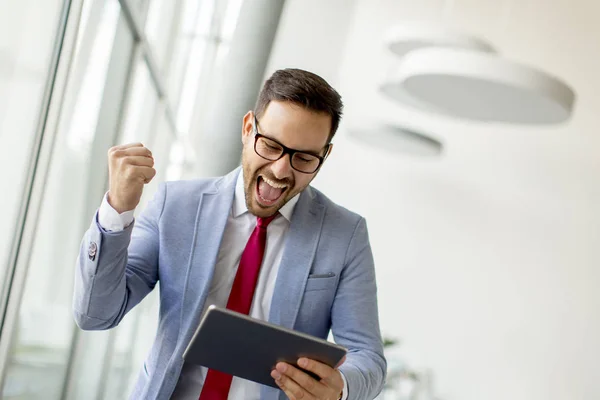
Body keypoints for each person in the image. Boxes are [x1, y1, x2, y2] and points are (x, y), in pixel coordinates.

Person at [73, 68, 386, 400]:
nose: (281, 170)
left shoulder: (345, 235)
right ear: (248, 128)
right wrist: (116, 210)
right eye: (271, 146)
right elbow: (96, 314)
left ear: (324, 156)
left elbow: (367, 356)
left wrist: (341, 388)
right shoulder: (175, 206)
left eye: (304, 158)